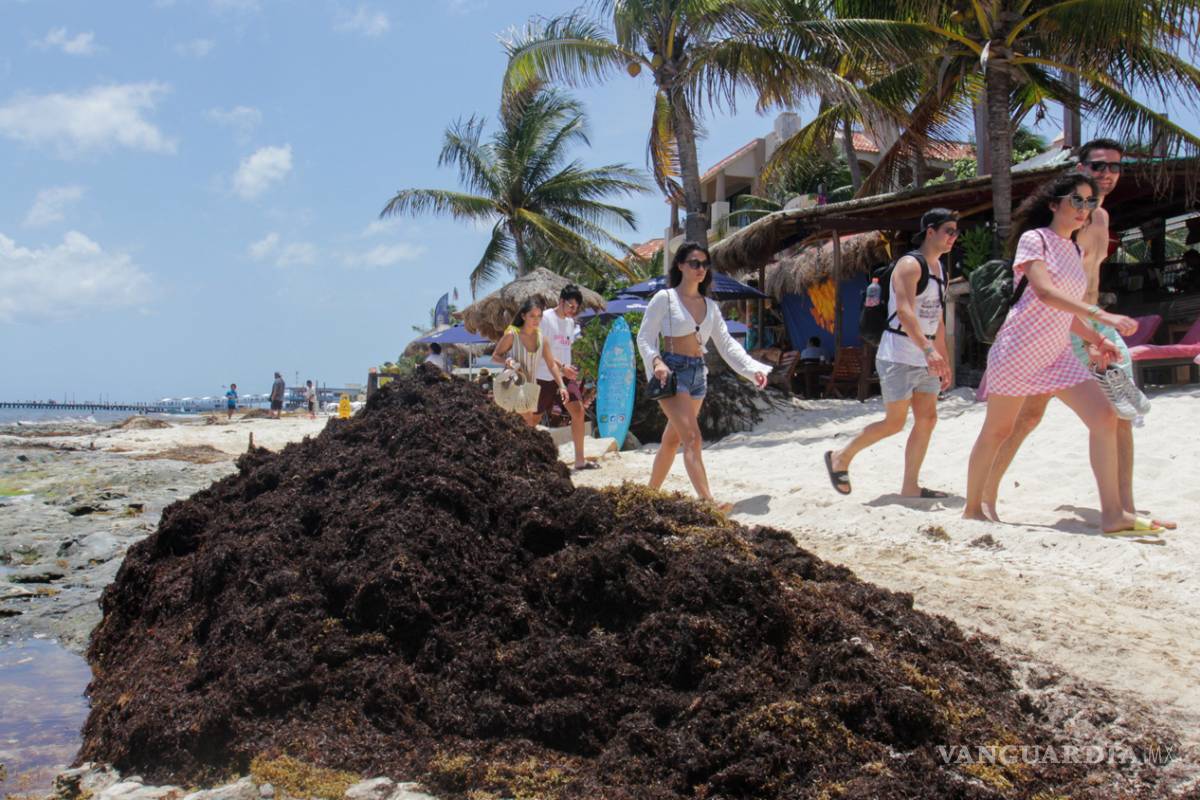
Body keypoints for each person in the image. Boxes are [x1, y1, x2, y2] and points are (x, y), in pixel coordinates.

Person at [978, 140, 1174, 529]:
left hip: (1093, 325)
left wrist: (1098, 328)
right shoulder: (1067, 220)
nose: (1107, 174)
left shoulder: (1098, 218)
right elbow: (1049, 286)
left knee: (1117, 411)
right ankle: (984, 496)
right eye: (1099, 166)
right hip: (1063, 324)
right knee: (1028, 415)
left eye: (1115, 168)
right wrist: (1089, 323)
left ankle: (1122, 506)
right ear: (1080, 167)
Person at [823, 209, 955, 498]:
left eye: (956, 232)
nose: (953, 238)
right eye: (949, 231)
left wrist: (943, 358)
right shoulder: (909, 265)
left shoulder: (940, 269)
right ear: (930, 231)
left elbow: (937, 318)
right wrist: (929, 350)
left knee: (928, 419)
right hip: (899, 354)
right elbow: (905, 312)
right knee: (894, 422)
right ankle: (840, 458)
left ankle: (910, 486)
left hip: (926, 354)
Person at [637, 242, 771, 512]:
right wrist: (657, 362)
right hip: (673, 373)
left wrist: (752, 368)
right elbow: (645, 337)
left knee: (672, 440)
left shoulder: (710, 305)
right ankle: (707, 502)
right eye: (695, 263)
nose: (701, 269)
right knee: (692, 438)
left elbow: (726, 344)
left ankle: (649, 495)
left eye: (705, 264)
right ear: (681, 266)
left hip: (699, 373)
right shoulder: (665, 298)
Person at [535, 285, 596, 471]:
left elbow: (565, 348)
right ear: (561, 301)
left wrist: (568, 369)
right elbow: (540, 350)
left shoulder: (570, 323)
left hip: (565, 378)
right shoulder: (544, 318)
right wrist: (562, 366)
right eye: (570, 306)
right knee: (532, 420)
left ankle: (579, 461)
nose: (572, 310)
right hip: (544, 376)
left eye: (576, 308)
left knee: (578, 412)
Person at [492, 298, 568, 428]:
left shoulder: (542, 339)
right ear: (523, 316)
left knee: (529, 424)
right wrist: (507, 361)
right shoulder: (512, 335)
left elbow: (551, 364)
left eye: (539, 316)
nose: (536, 320)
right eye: (532, 316)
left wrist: (562, 385)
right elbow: (495, 356)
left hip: (531, 387)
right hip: (513, 385)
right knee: (527, 421)